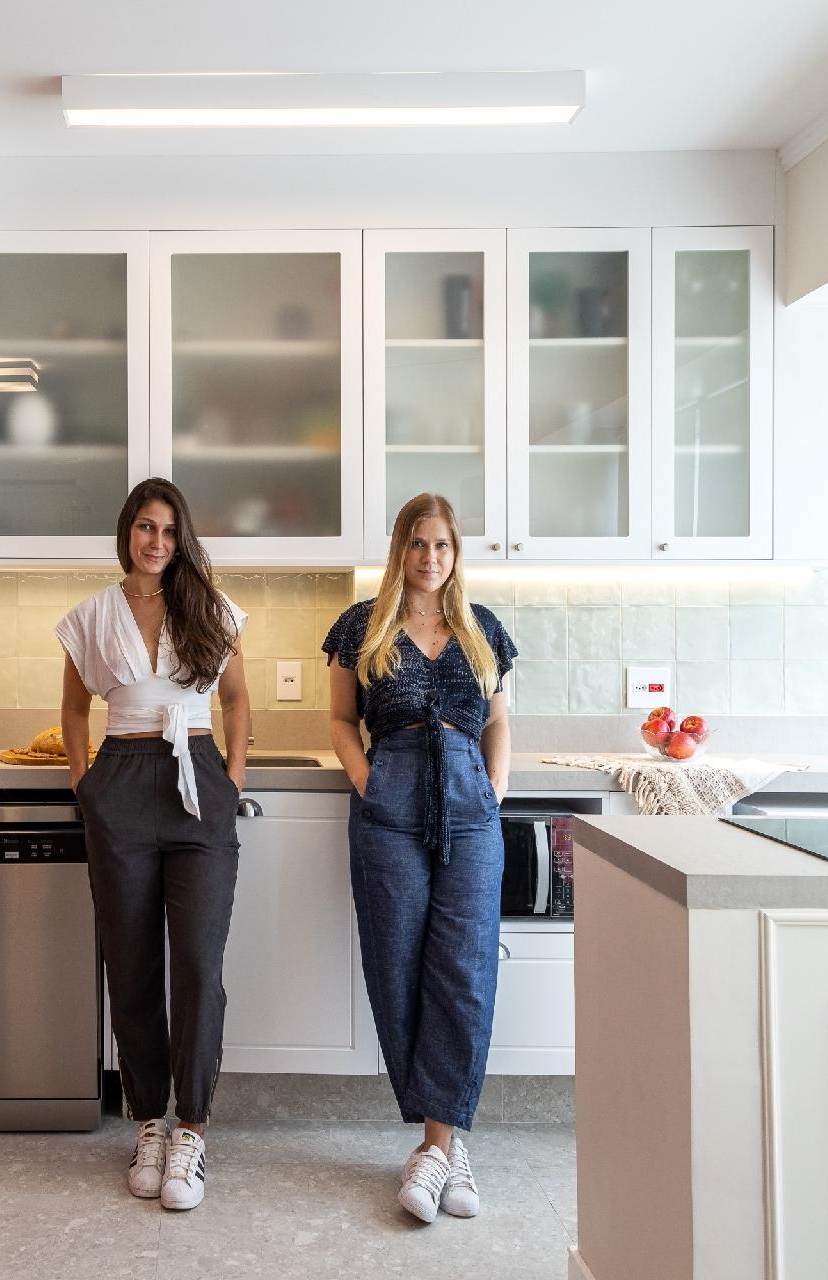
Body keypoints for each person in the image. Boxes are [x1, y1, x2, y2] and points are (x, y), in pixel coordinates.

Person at [56, 478, 251, 1212]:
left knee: (198, 964)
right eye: (145, 527)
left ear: (182, 538)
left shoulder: (211, 608)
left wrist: (230, 777)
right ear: (127, 532)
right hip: (121, 779)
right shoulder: (91, 616)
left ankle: (191, 1129)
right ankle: (148, 1123)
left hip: (196, 780)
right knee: (132, 964)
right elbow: (73, 710)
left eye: (169, 531)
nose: (157, 542)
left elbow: (236, 700)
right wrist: (86, 787)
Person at [322, 492, 517, 1224]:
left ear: (455, 553)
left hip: (469, 800)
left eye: (442, 545)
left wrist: (494, 787)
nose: (429, 557)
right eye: (417, 543)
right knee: (397, 962)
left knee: (465, 968)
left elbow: (498, 721)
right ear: (399, 549)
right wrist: (368, 781)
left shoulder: (483, 629)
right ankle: (439, 1145)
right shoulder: (359, 627)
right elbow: (340, 719)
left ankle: (440, 1148)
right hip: (391, 797)